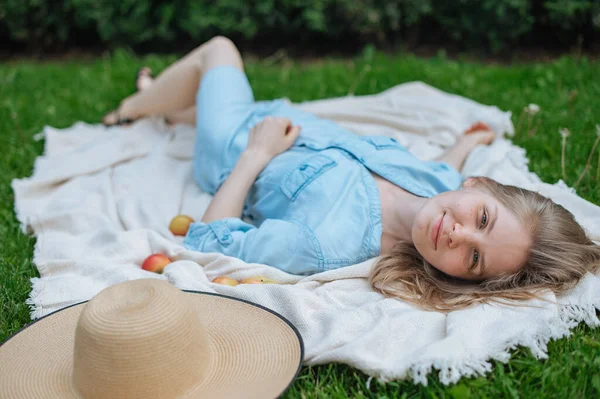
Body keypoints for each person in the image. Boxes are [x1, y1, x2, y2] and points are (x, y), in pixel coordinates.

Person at [103, 36, 600, 311]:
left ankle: (131, 106)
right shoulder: (434, 184)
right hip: (278, 117)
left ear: (459, 279)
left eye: (473, 257)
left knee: (219, 51)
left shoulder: (326, 243)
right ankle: (170, 108)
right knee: (198, 92)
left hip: (233, 143)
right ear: (480, 185)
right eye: (484, 219)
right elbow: (443, 167)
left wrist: (254, 155)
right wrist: (467, 142)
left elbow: (212, 241)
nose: (457, 233)